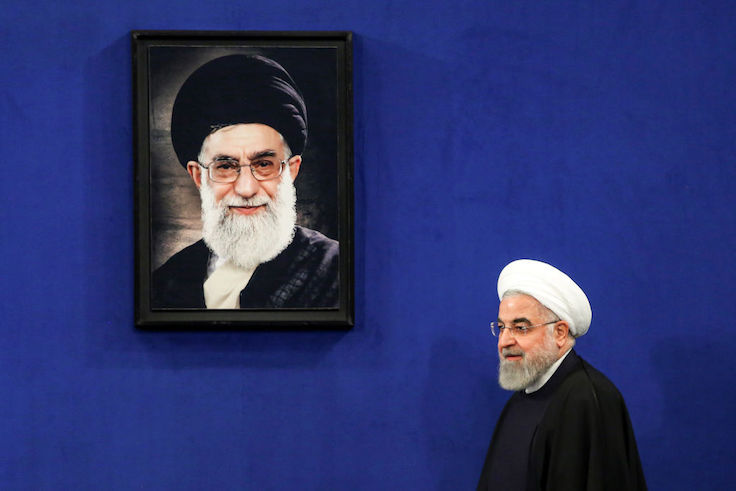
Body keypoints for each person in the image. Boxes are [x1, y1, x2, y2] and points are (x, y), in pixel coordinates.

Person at [152, 54, 339, 309]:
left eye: (263, 165)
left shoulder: (337, 271)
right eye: (226, 167)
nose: (246, 189)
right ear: (198, 175)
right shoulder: (165, 284)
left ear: (291, 170)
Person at [477, 259, 646, 490]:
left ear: (559, 333)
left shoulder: (588, 399)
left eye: (521, 328)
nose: (504, 341)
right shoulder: (523, 397)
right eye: (502, 327)